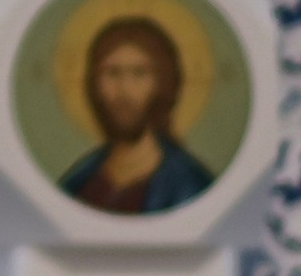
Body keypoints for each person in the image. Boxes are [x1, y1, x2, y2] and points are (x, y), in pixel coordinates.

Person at [58, 13, 218, 217]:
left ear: (162, 83)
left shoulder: (190, 186)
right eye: (112, 73)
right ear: (94, 84)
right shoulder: (79, 181)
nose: (124, 91)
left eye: (139, 73)